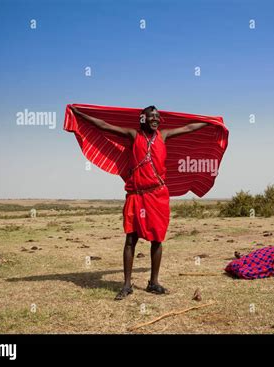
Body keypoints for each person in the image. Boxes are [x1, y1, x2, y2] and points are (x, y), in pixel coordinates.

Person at [71, 105, 209, 300]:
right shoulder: (133, 135)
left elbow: (188, 128)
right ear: (143, 119)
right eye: (151, 117)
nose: (155, 119)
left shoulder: (164, 135)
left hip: (157, 195)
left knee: (157, 239)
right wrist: (81, 115)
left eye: (158, 117)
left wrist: (211, 122)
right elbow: (103, 126)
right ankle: (127, 285)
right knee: (130, 239)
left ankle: (154, 282)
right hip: (136, 195)